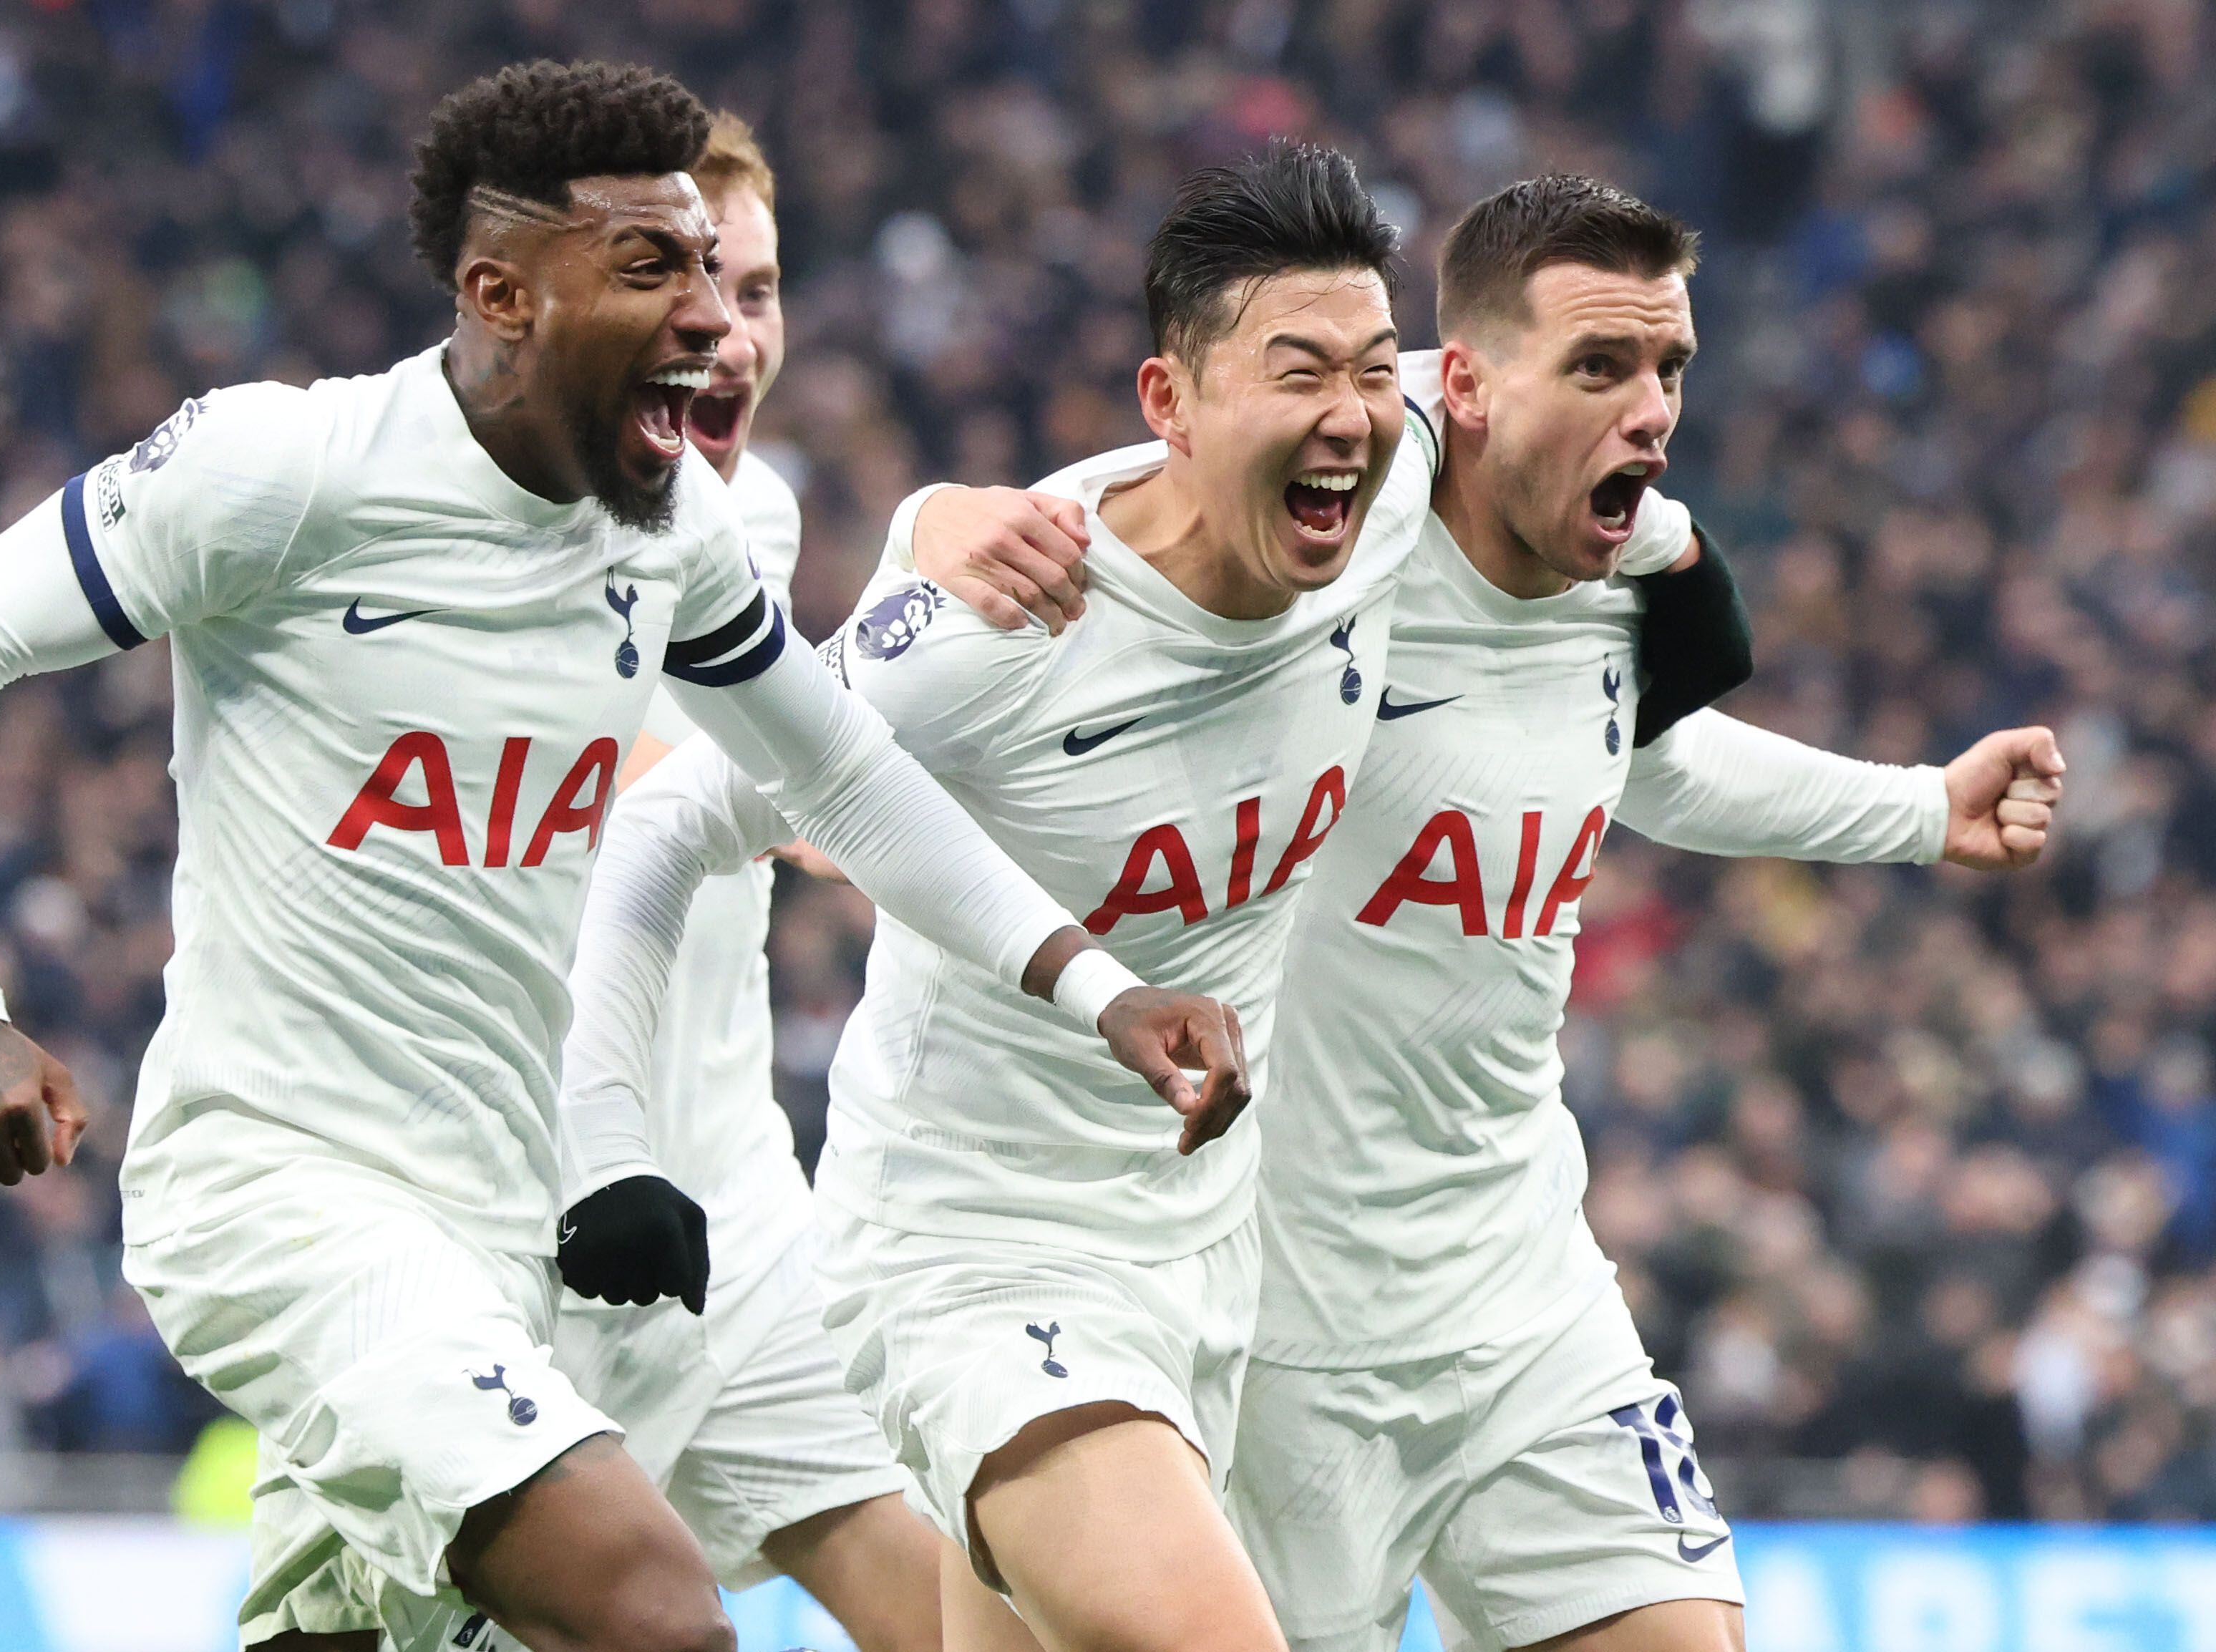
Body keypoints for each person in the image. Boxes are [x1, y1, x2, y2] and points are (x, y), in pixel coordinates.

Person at [0, 59, 1240, 1652]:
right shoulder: (286, 469)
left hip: (517, 1219)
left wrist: (1098, 988)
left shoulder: (676, 530)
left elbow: (850, 776)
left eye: (728, 280)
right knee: (653, 1609)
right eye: (656, 271)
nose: (715, 322)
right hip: (288, 1186)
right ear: (499, 292)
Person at [905, 175, 2065, 1652]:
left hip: (1526, 1291)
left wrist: (1918, 810)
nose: (1648, 407)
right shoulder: (1317, 564)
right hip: (1279, 1331)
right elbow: (1120, 510)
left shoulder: (1610, 571)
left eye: (1668, 371)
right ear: (1454, 383)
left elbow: (1638, 758)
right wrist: (926, 521)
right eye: (1598, 367)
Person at [563, 143, 1441, 1652]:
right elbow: (663, 829)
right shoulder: (985, 631)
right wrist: (606, 1148)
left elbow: (1533, 382)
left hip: (1203, 1244)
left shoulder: (1391, 480)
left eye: (1372, 372)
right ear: (1166, 402)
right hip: (972, 1253)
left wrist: (1679, 564)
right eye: (1300, 373)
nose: (1348, 416)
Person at [545, 113, 944, 1652]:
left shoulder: (750, 516)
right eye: (689, 283)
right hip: (510, 1227)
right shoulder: (473, 534)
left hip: (736, 1219)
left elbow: (782, 762)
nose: (728, 336)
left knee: (967, 1611)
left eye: (759, 290)